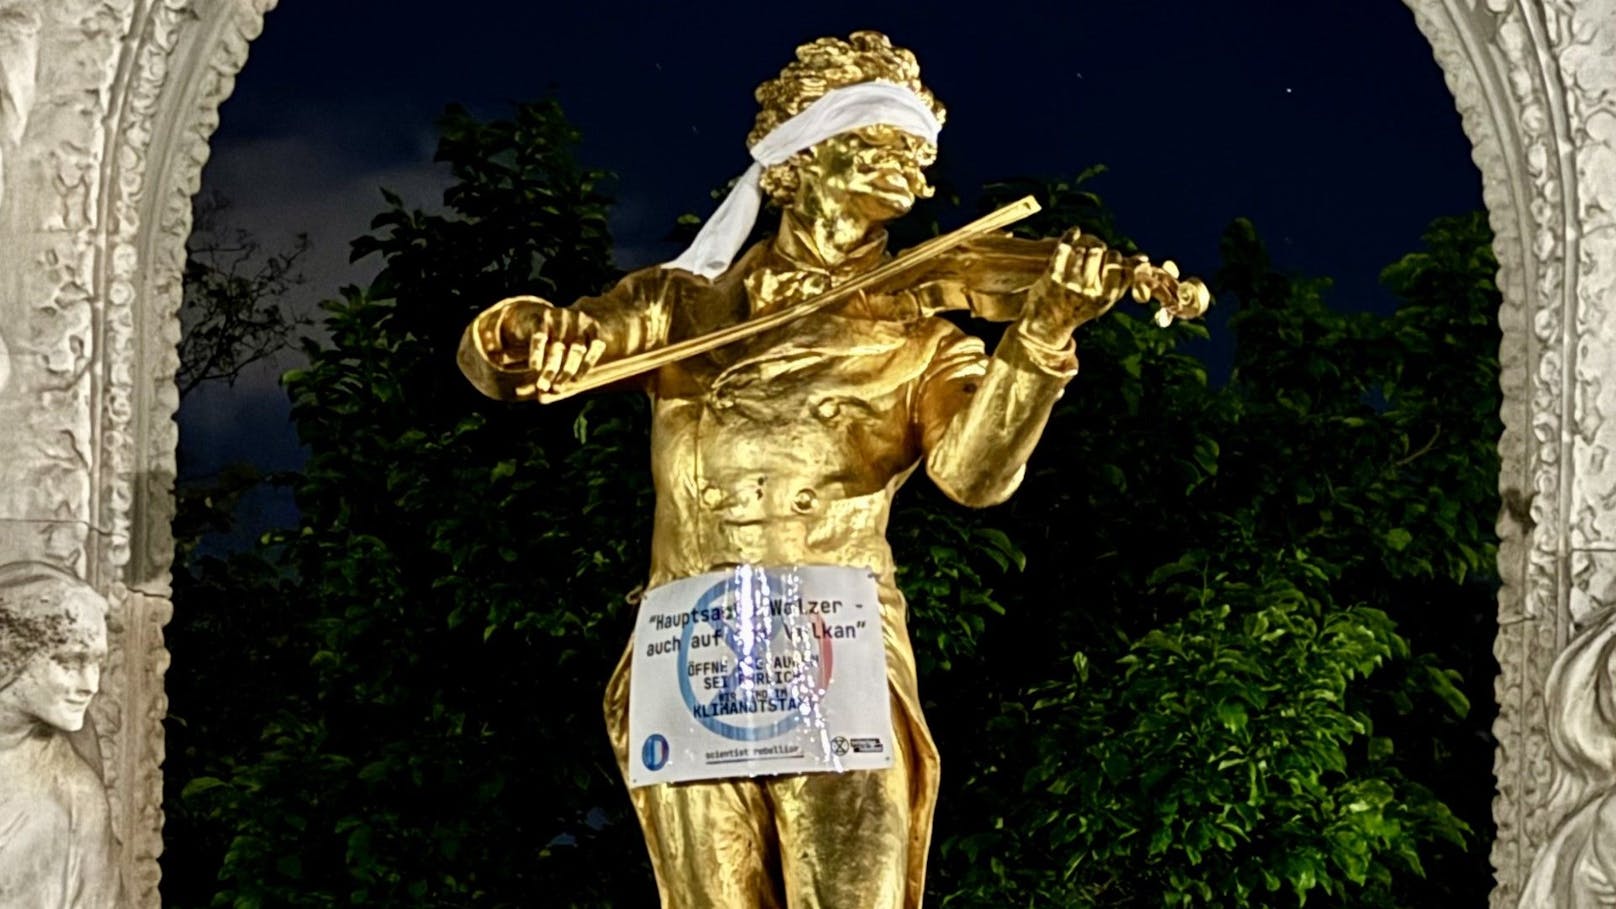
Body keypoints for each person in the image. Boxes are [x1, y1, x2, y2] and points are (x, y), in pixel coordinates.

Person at [458, 31, 1130, 909]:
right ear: (803, 152)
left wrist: (1039, 340)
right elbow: (536, 354)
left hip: (834, 642)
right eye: (881, 141)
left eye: (919, 155)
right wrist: (527, 338)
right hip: (694, 638)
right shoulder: (679, 303)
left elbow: (974, 476)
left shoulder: (921, 334)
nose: (911, 170)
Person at [0, 561, 117, 908]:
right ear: (12, 655)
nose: (91, 686)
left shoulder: (78, 798)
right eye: (71, 661)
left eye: (98, 663)